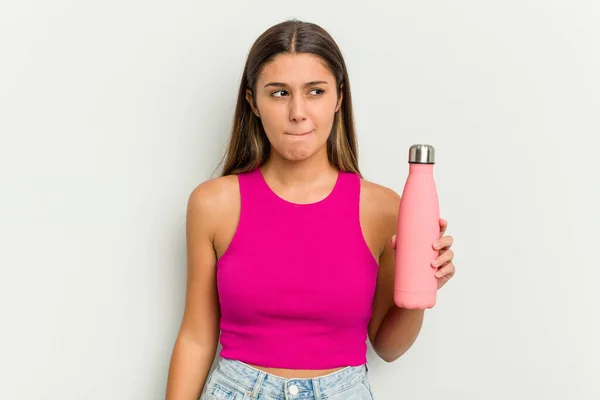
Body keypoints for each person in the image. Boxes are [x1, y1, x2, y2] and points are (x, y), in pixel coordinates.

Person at [165, 19, 456, 400]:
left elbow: (388, 347)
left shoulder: (383, 208)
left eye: (315, 91)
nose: (298, 112)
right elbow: (196, 337)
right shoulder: (213, 203)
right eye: (279, 93)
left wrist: (422, 289)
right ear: (253, 101)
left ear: (338, 97)